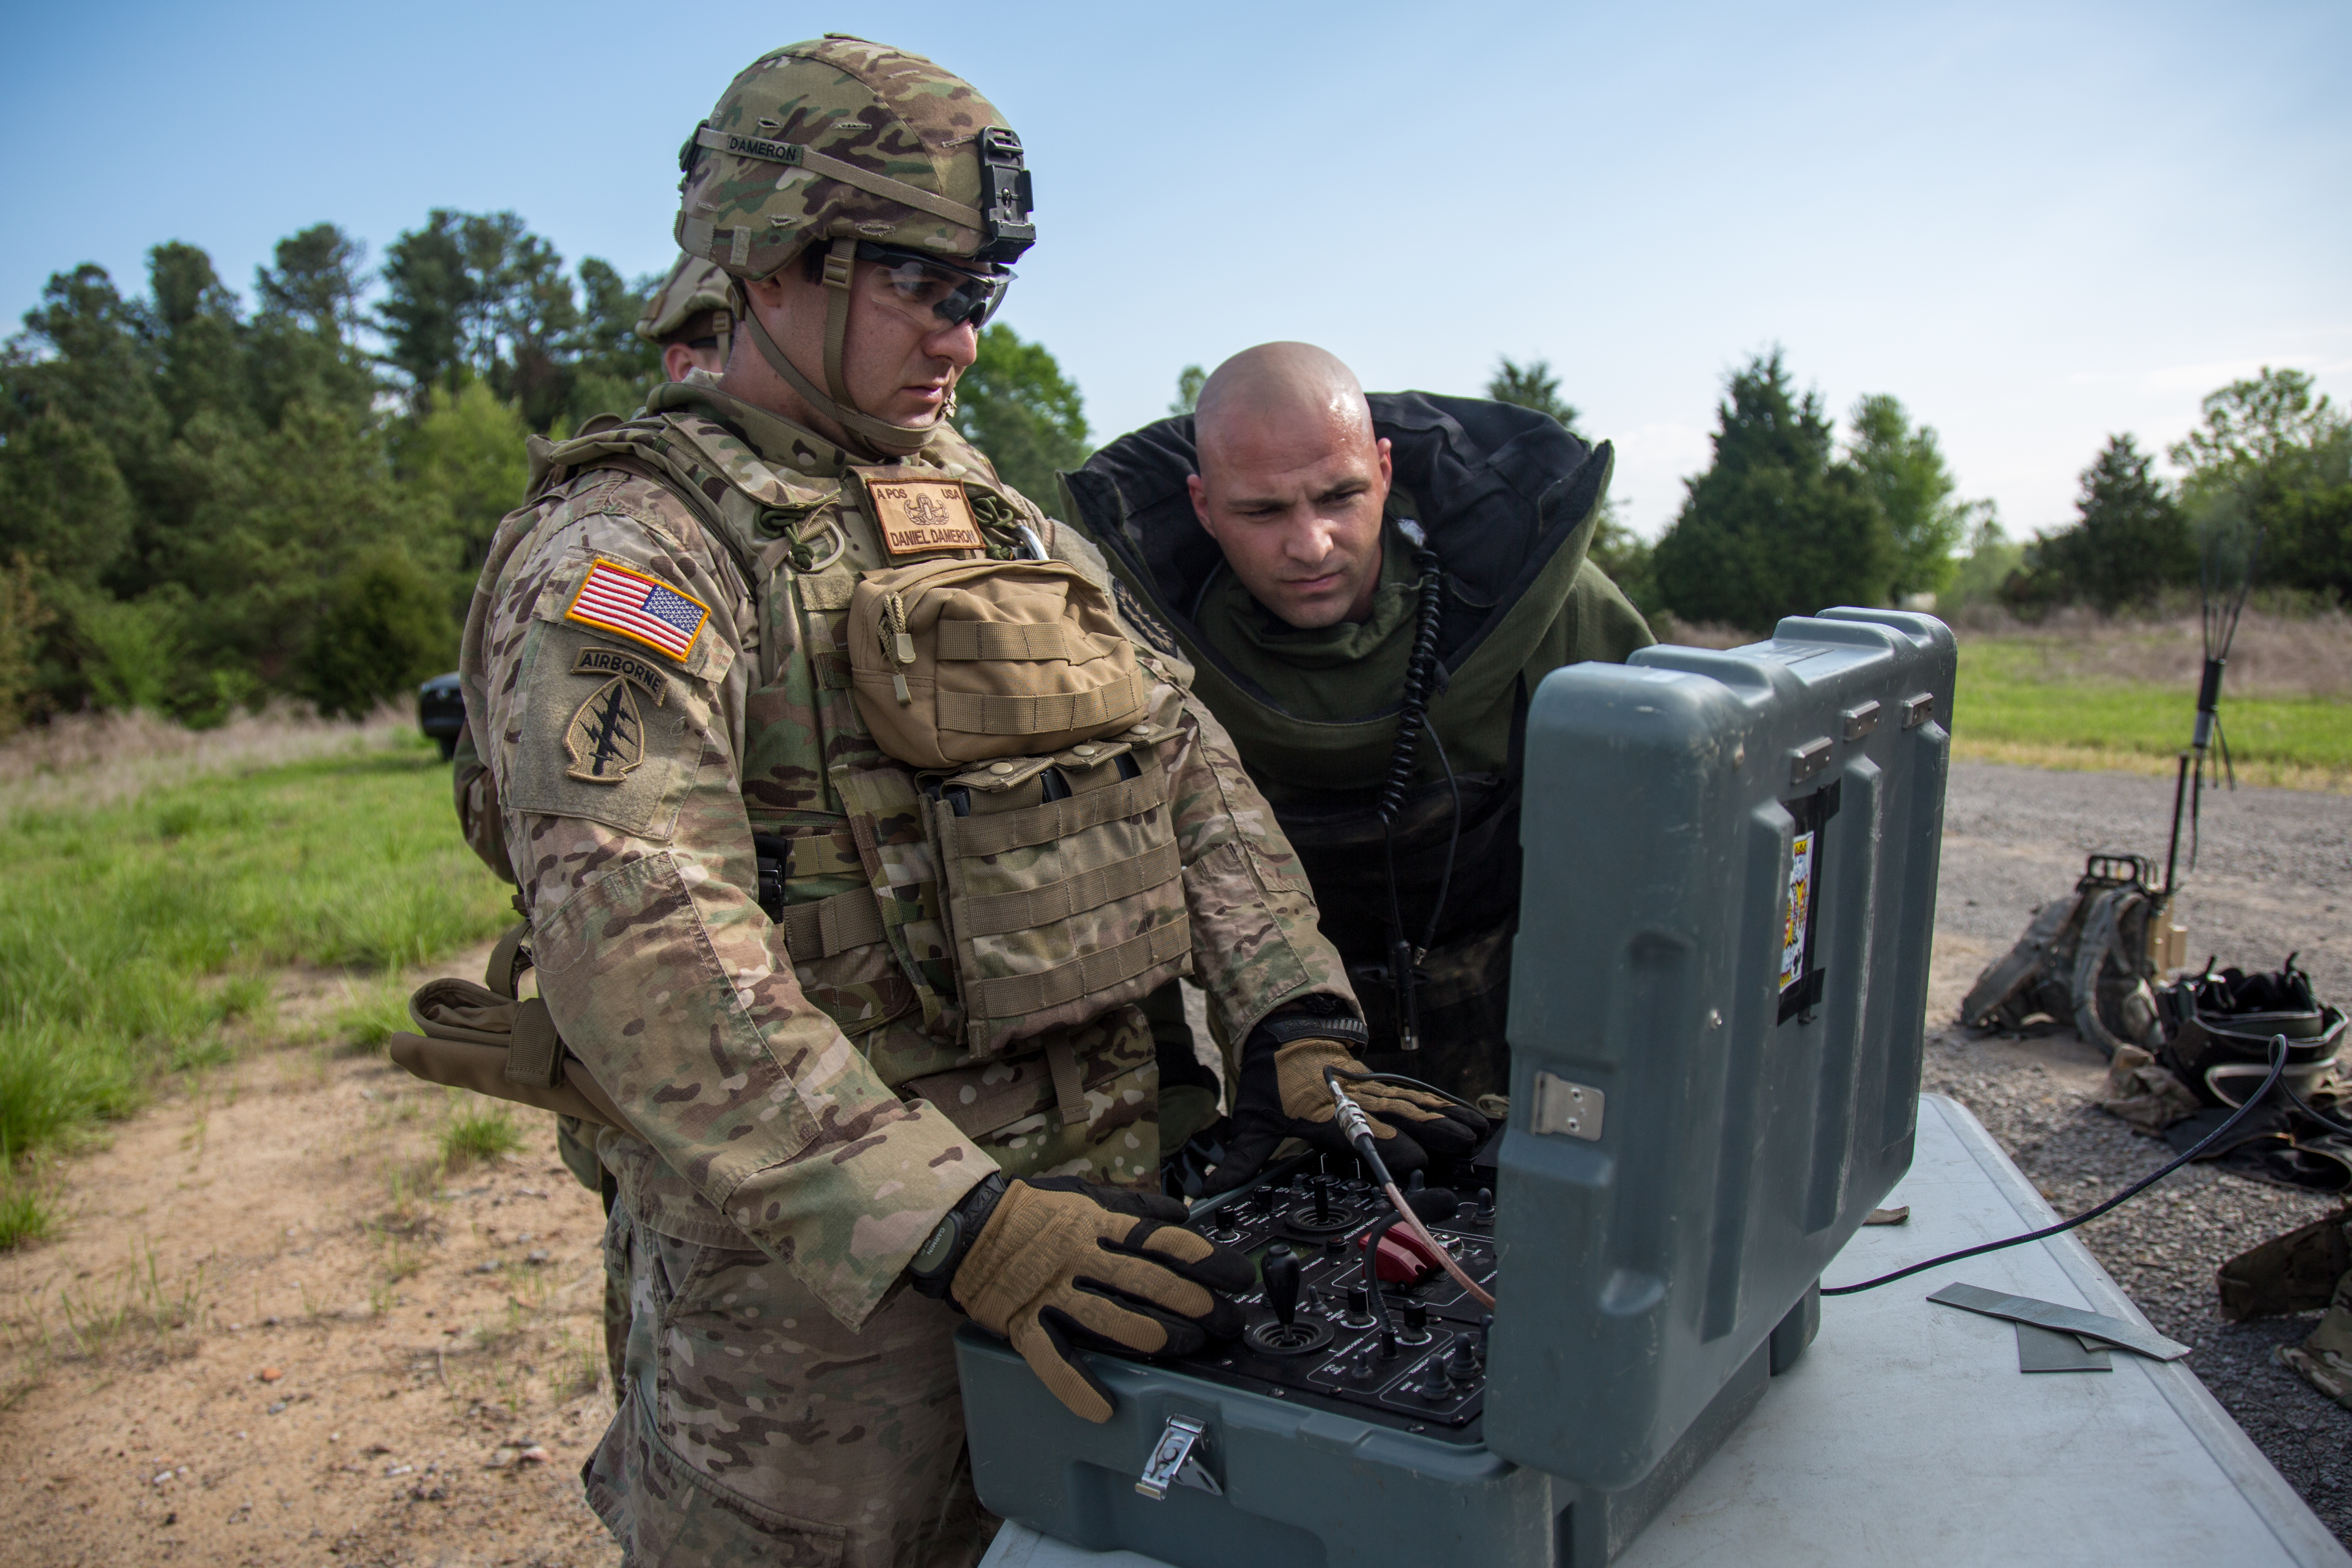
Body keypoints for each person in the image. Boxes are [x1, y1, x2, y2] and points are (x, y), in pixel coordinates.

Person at [456, 41, 1484, 1568]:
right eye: (928, 286)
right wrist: (954, 1220)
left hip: (1101, 1238)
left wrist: (1287, 1018)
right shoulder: (636, 561)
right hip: (826, 1322)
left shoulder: (988, 513)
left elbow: (1180, 758)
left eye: (985, 291)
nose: (965, 336)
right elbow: (646, 943)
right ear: (778, 257)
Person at [1064, 343, 1654, 1123]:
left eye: (1339, 496)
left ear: (1384, 470)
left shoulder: (1553, 612)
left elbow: (1668, 857)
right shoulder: (1128, 656)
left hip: (1549, 1090)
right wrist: (1175, 1124)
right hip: (1296, 1111)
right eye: (1263, 510)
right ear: (1203, 507)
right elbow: (1117, 916)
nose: (1311, 545)